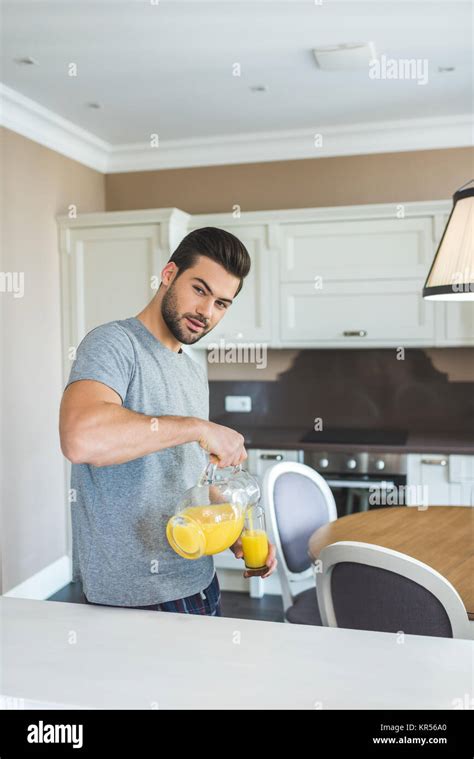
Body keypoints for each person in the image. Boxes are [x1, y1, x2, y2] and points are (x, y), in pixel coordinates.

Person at [59, 227, 277, 616]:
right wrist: (199, 427)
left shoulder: (193, 372)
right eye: (199, 290)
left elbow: (186, 481)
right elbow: (81, 439)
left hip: (199, 582)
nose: (206, 312)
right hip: (132, 597)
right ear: (169, 274)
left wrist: (233, 529)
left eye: (222, 304)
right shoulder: (114, 344)